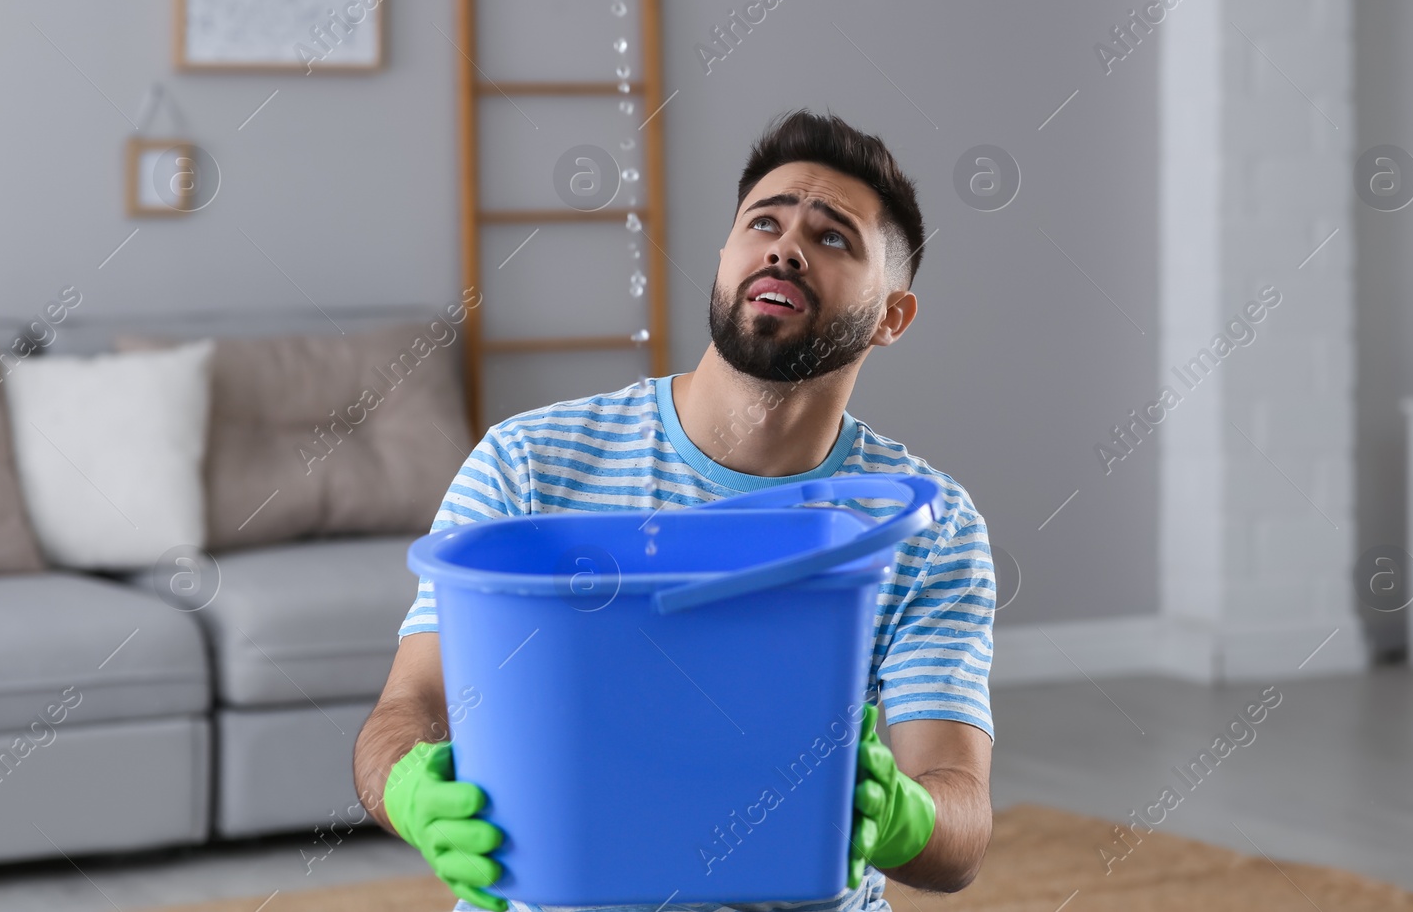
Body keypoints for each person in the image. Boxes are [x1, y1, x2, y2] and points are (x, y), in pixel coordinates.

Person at [353, 109, 996, 912]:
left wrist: (904, 816)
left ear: (892, 316)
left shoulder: (925, 528)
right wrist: (412, 789)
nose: (786, 244)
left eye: (834, 238)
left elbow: (961, 822)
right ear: (726, 258)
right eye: (764, 220)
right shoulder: (528, 465)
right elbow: (407, 707)